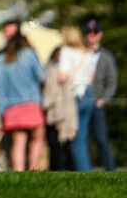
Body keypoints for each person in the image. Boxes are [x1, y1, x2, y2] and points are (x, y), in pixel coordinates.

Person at [0, 32, 45, 171]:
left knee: (19, 142)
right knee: (37, 138)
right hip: (30, 103)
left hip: (9, 107)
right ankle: (33, 170)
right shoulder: (29, 55)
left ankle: (19, 172)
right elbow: (41, 76)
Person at [58, 25, 94, 172]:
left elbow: (62, 76)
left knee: (74, 138)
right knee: (82, 137)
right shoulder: (87, 53)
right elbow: (92, 77)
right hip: (88, 94)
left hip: (74, 97)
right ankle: (86, 170)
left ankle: (84, 172)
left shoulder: (66, 52)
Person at [84, 18, 117, 172]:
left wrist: (104, 99)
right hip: (80, 102)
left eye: (94, 32)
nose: (91, 35)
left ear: (100, 35)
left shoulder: (106, 57)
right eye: (88, 32)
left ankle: (110, 169)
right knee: (82, 139)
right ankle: (84, 170)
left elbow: (112, 81)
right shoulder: (79, 53)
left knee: (101, 139)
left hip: (97, 103)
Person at [42, 46, 75, 171]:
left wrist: (43, 104)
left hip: (57, 113)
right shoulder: (52, 70)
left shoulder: (51, 70)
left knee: (58, 146)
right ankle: (60, 170)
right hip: (58, 112)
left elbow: (50, 94)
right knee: (59, 145)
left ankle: (58, 169)